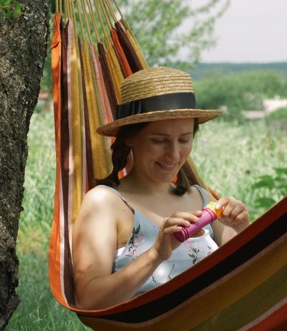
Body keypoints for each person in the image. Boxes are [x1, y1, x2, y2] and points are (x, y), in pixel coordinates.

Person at [72, 67, 251, 310]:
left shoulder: (200, 198)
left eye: (185, 140)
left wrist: (243, 231)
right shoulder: (105, 203)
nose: (174, 154)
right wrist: (155, 254)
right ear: (129, 137)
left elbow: (248, 276)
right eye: (159, 140)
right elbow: (88, 300)